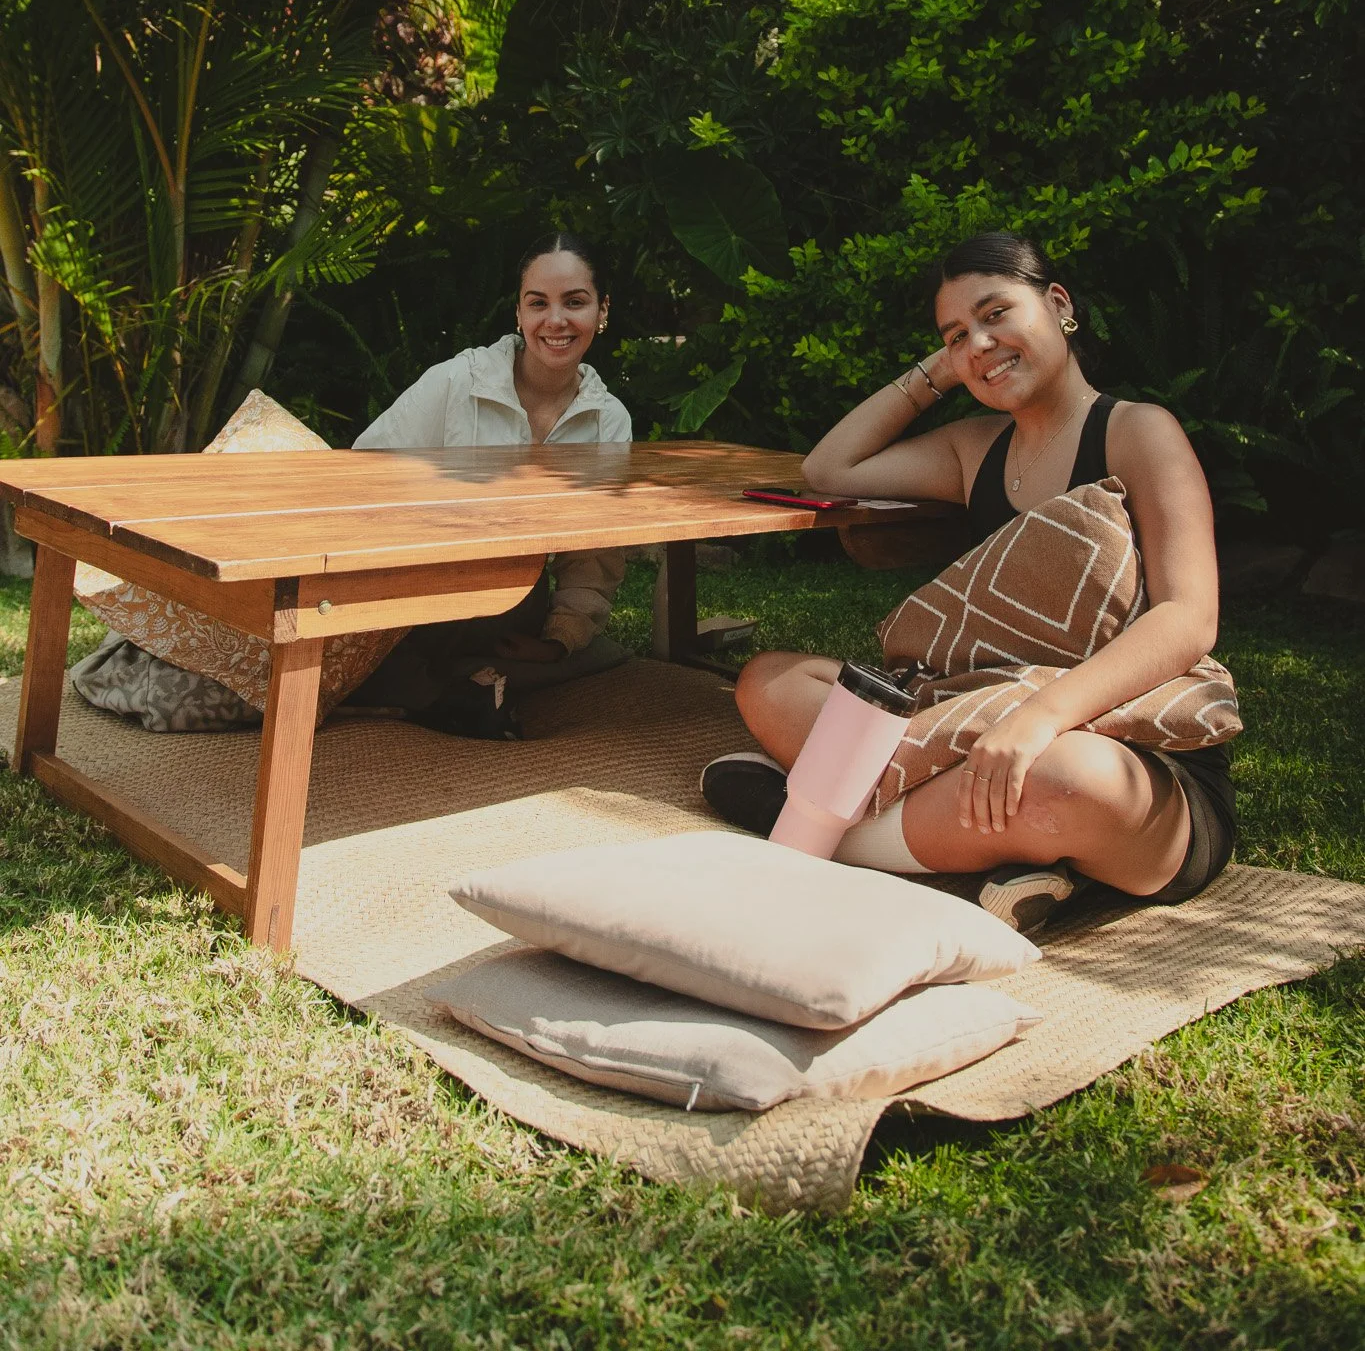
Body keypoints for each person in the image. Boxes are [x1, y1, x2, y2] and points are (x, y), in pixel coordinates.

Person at [701, 230, 1235, 932]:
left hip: (1116, 751)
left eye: (996, 313)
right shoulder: (973, 449)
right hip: (967, 714)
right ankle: (982, 859)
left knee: (1070, 779)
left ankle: (812, 826)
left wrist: (1038, 719)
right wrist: (947, 365)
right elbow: (829, 470)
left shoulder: (1137, 431)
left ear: (1058, 304)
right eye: (954, 334)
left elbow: (1188, 618)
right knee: (771, 683)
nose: (977, 344)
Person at [346, 231, 632, 738]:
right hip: (411, 591)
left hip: (509, 606)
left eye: (576, 302)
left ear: (602, 311)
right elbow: (363, 476)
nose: (556, 320)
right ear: (518, 313)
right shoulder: (456, 383)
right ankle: (444, 691)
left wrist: (560, 640)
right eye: (537, 303)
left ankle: (449, 689)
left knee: (582, 652)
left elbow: (595, 554)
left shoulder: (608, 422)